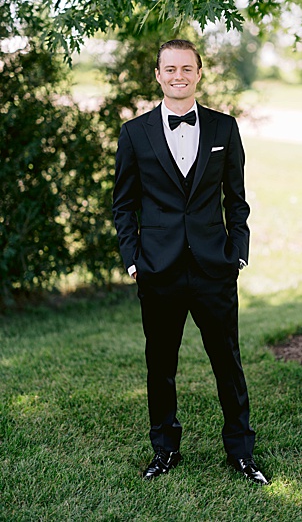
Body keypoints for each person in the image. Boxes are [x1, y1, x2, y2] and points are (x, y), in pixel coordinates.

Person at [112, 39, 269, 485]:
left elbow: (236, 199)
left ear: (199, 74)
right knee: (160, 365)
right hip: (157, 268)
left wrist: (236, 253)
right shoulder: (135, 134)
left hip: (213, 267)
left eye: (187, 68)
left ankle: (240, 452)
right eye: (170, 69)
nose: (178, 76)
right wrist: (132, 260)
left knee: (228, 363)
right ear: (158, 75)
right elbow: (123, 204)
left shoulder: (224, 129)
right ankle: (164, 449)